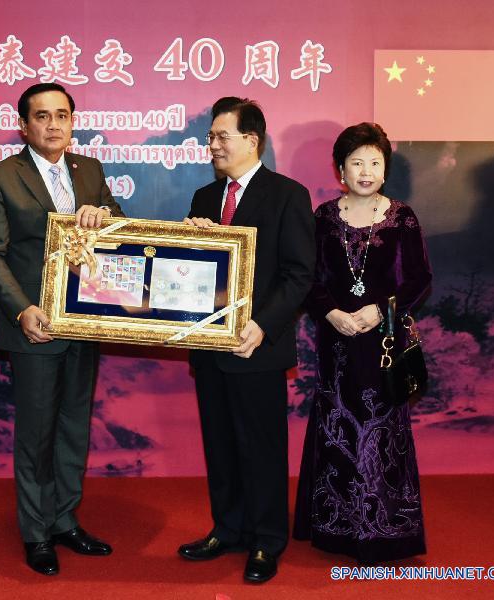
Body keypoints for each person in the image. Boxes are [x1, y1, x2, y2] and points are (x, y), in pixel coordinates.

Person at [0, 82, 124, 576]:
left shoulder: (90, 170)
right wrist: (21, 310)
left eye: (62, 115)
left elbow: (120, 229)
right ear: (24, 125)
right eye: (42, 116)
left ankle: (65, 520)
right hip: (34, 325)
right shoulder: (0, 176)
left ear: (72, 122)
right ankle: (36, 532)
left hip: (84, 320)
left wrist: (105, 215)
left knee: (73, 427)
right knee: (37, 433)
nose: (53, 124)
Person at [179, 97, 315, 583]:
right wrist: (190, 241)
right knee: (220, 446)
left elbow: (299, 274)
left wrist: (262, 325)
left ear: (251, 140)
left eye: (222, 136)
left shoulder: (287, 195)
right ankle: (227, 529)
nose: (212, 145)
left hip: (257, 346)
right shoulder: (203, 198)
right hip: (210, 347)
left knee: (261, 448)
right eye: (211, 137)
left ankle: (266, 540)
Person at [294, 122, 432, 563]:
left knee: (384, 427)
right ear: (341, 170)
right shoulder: (323, 218)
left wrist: (380, 310)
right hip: (336, 341)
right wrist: (332, 313)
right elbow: (309, 277)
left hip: (384, 340)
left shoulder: (402, 217)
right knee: (338, 424)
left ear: (385, 169)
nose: (366, 171)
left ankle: (387, 528)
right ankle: (336, 526)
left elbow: (419, 278)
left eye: (375, 162)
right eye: (357, 163)